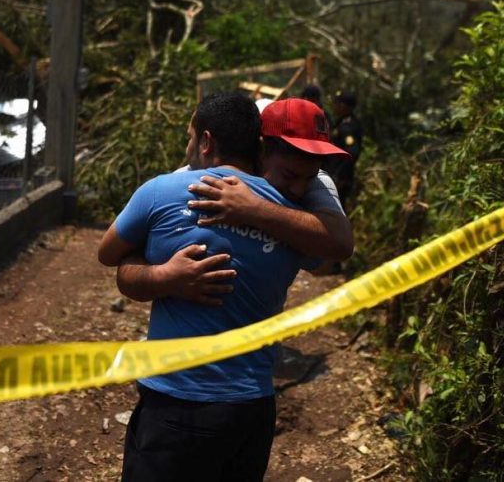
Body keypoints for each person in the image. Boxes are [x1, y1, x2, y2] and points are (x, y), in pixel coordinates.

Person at [98, 94, 351, 481]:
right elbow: (119, 265)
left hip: (178, 401)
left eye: (308, 175)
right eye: (290, 174)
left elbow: (112, 256)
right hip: (249, 409)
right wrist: (167, 276)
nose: (299, 186)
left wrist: (255, 209)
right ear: (261, 148)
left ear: (206, 141)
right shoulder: (293, 218)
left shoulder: (298, 202)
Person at [330, 90, 364, 202]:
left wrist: (339, 176)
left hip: (340, 178)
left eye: (337, 103)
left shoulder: (348, 127)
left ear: (344, 106)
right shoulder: (340, 123)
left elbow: (352, 152)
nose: (334, 106)